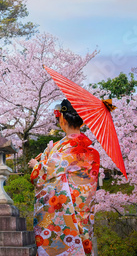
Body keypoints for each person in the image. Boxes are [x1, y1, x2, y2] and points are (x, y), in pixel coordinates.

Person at [29, 99, 100, 256]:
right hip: (82, 209)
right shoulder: (92, 152)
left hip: (65, 213)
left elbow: (43, 174)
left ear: (62, 118)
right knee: (82, 244)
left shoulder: (65, 147)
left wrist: (36, 164)